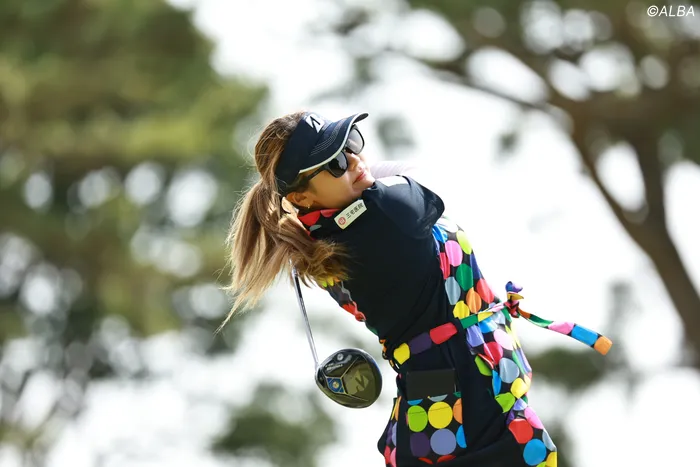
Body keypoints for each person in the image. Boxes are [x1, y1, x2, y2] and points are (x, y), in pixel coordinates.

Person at [223, 111, 612, 467]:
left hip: (445, 392)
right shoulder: (388, 213)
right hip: (468, 388)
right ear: (300, 197)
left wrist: (343, 179)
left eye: (352, 144)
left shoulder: (324, 238)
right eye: (335, 163)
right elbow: (416, 178)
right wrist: (362, 179)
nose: (354, 162)